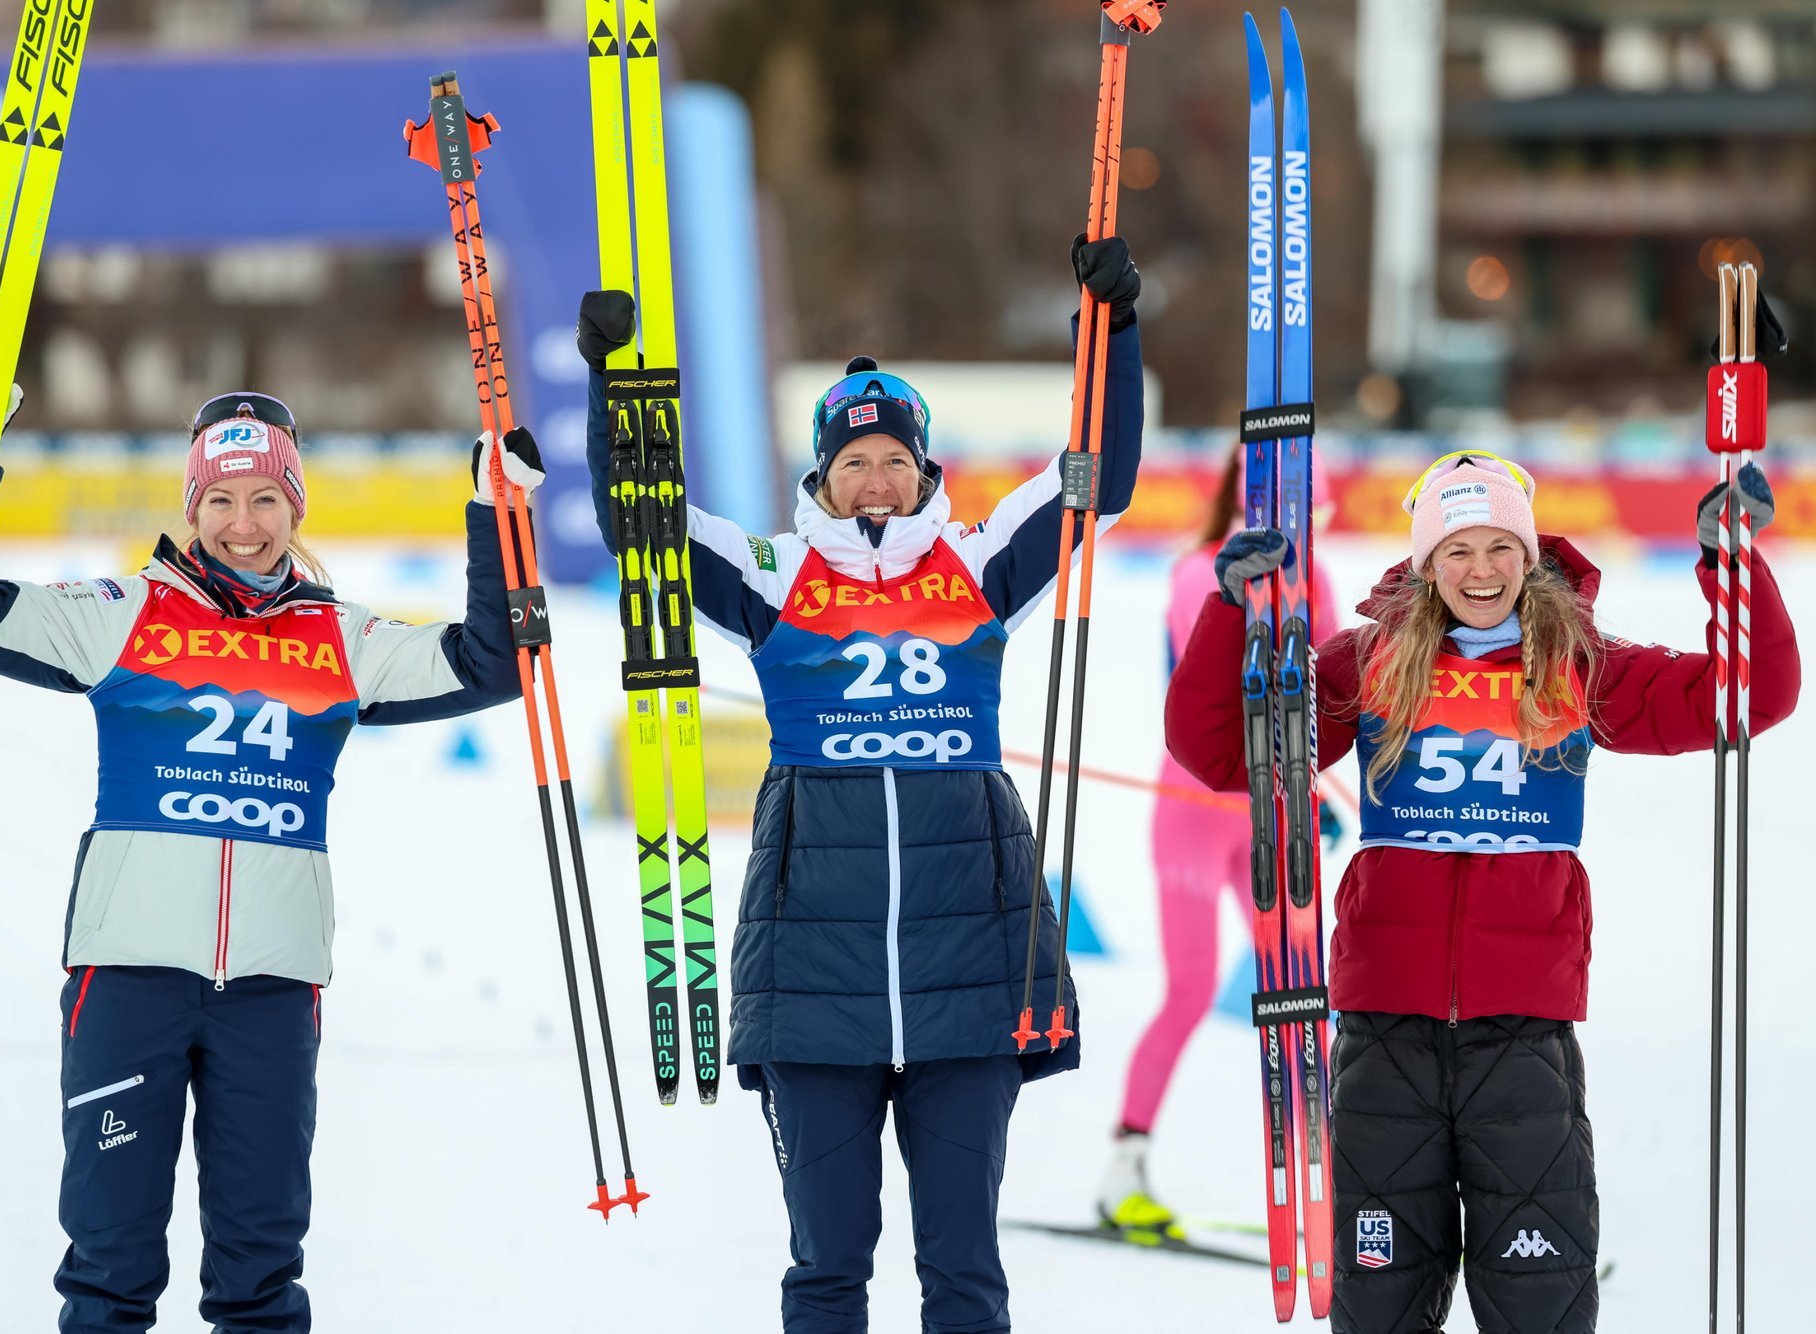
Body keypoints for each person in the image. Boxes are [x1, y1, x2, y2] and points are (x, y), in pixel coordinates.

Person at [577, 233, 1143, 1334]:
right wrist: (612, 384)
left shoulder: (979, 562)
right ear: (821, 477)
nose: (875, 478)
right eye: (853, 462)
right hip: (811, 979)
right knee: (827, 1264)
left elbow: (1097, 477)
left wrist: (1110, 331)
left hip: (969, 968)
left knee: (963, 1267)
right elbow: (639, 527)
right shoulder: (776, 575)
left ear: (924, 471)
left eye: (893, 459)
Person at [0, 370, 535, 1333]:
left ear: (295, 507)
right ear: (192, 506)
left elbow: (490, 663)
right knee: (110, 1263)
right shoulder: (120, 612)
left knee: (260, 1270)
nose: (242, 525)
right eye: (220, 500)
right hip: (128, 980)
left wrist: (497, 513)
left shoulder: (341, 637)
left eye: (264, 500)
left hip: (270, 990)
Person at [1163, 451, 1800, 1333]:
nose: (1482, 571)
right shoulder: (1370, 662)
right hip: (1385, 1032)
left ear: (1529, 555)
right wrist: (1233, 612)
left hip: (1523, 1033)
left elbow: (1747, 698)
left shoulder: (1577, 664)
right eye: (1457, 550)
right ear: (1427, 563)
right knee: (1380, 1303)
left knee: (1539, 1301)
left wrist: (1732, 565)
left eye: (1502, 546)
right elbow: (1222, 755)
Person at [1095, 444, 1336, 1237]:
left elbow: (1332, 694)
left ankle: (1342, 1178)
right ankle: (1123, 1169)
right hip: (1196, 807)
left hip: (1277, 807)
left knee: (1303, 997)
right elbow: (1210, 686)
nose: (1307, 519)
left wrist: (1323, 787)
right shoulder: (1199, 569)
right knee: (1191, 991)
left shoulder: (1317, 575)